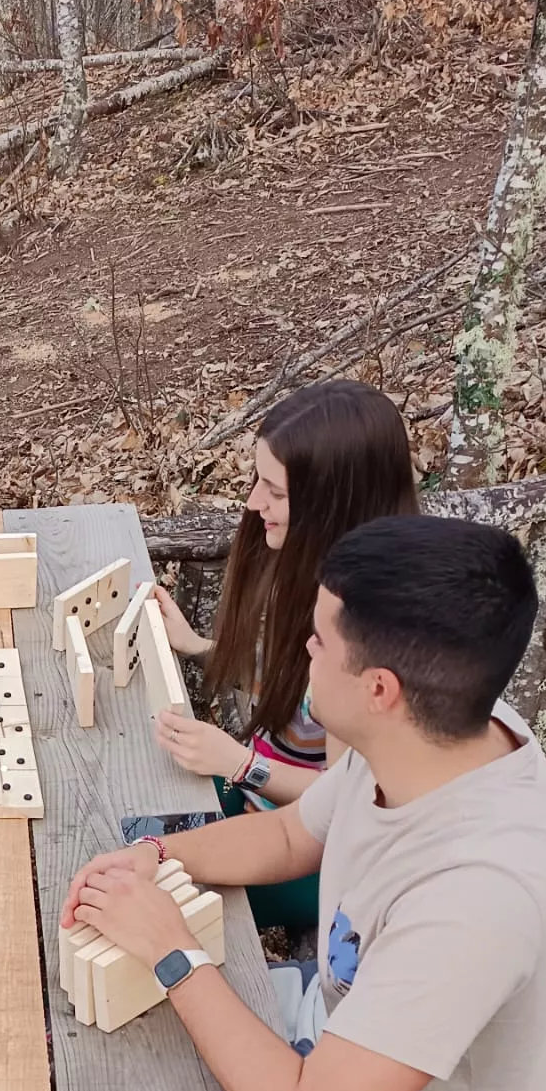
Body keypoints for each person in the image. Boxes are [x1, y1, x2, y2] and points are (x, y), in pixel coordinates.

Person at [62, 515, 546, 1091]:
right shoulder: (444, 735)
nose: (302, 647)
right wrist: (162, 858)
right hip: (340, 1039)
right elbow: (285, 837)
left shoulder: (477, 898)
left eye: (317, 638)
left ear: (380, 689)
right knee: (112, 1067)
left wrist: (173, 951)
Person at [150, 380, 417, 931]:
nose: (253, 502)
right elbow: (294, 688)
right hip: (266, 807)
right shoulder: (312, 571)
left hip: (317, 863)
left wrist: (242, 766)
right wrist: (198, 647)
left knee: (155, 890)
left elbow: (345, 802)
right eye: (257, 481)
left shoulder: (368, 635)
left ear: (330, 503)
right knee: (132, 817)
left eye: (275, 490)